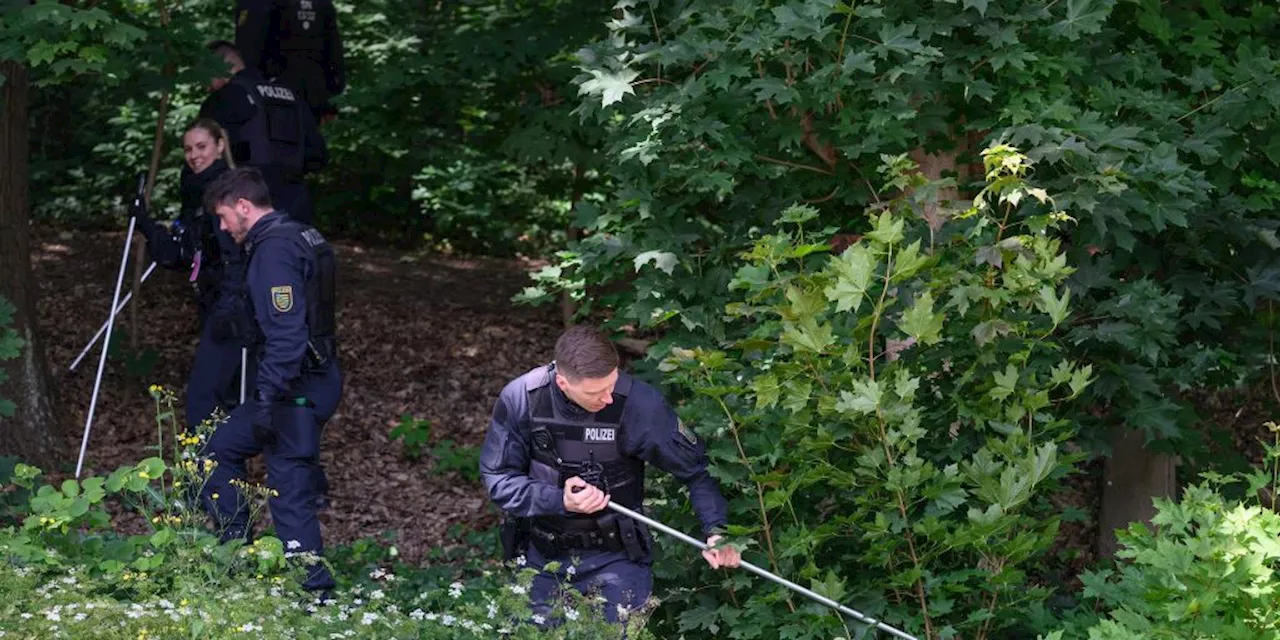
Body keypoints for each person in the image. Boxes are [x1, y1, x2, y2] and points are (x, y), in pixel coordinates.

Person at [480, 325, 741, 625]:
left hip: (617, 557)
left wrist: (716, 530)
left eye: (611, 385)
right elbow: (498, 479)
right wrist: (559, 499)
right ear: (563, 382)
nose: (608, 398)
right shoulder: (522, 398)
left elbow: (698, 470)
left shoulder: (639, 405)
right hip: (541, 557)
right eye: (595, 393)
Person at [199, 166, 342, 595]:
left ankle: (314, 591)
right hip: (310, 378)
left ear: (244, 207)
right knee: (219, 450)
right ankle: (235, 553)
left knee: (289, 485)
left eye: (224, 217)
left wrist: (266, 398)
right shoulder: (301, 235)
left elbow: (287, 335)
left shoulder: (275, 250)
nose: (222, 226)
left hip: (295, 386)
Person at [132, 119, 256, 428]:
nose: (194, 155)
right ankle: (222, 465)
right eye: (188, 149)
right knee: (223, 393)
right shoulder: (197, 190)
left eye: (202, 147)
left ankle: (206, 468)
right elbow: (182, 254)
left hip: (234, 309)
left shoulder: (228, 192)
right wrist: (145, 223)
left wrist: (231, 308)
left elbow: (238, 257)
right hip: (213, 303)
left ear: (220, 146)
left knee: (207, 396)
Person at [199, 40, 328, 226]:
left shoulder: (224, 98)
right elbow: (318, 155)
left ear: (222, 66)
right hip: (296, 202)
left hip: (248, 203)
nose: (206, 86)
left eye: (207, 75)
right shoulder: (292, 96)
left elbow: (207, 162)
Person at [234, 0, 346, 123]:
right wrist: (330, 97)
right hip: (311, 94)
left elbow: (247, 50)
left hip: (272, 95)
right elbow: (333, 51)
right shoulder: (320, 4)